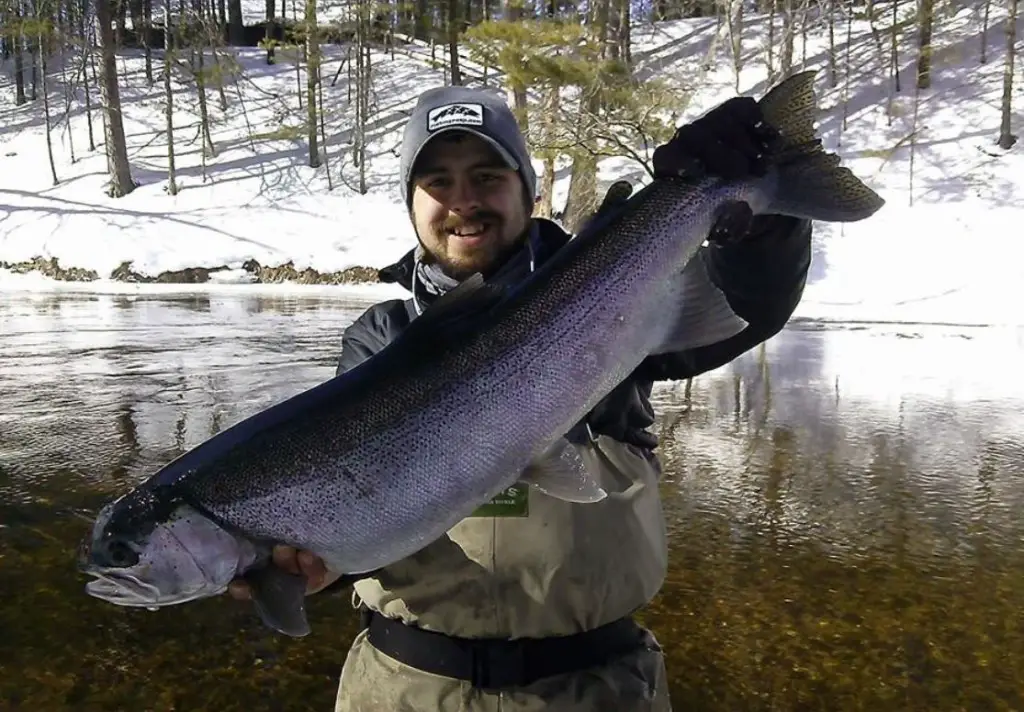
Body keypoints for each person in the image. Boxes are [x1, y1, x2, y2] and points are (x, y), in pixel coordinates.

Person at [229, 85, 812, 711]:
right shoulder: (382, 338)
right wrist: (305, 568)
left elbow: (748, 305)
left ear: (527, 191)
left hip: (596, 688)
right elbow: (354, 502)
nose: (464, 202)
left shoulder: (607, 293)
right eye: (438, 182)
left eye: (486, 176)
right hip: (406, 688)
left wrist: (767, 221)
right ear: (411, 203)